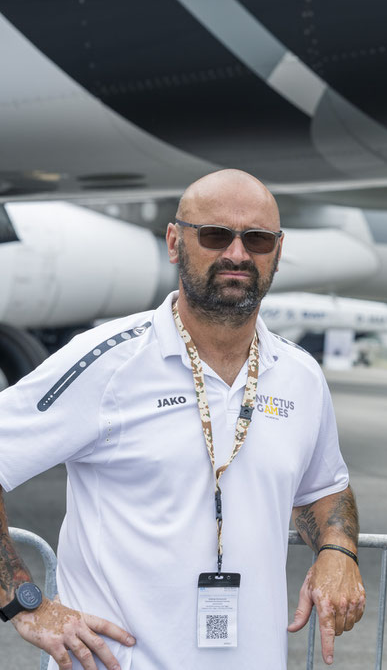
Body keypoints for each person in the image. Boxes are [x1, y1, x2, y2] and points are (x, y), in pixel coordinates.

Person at [0, 170, 366, 670]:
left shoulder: (300, 375)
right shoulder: (106, 363)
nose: (237, 254)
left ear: (277, 252)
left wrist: (339, 552)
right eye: (215, 235)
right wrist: (24, 602)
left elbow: (326, 488)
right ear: (175, 242)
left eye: (257, 240)